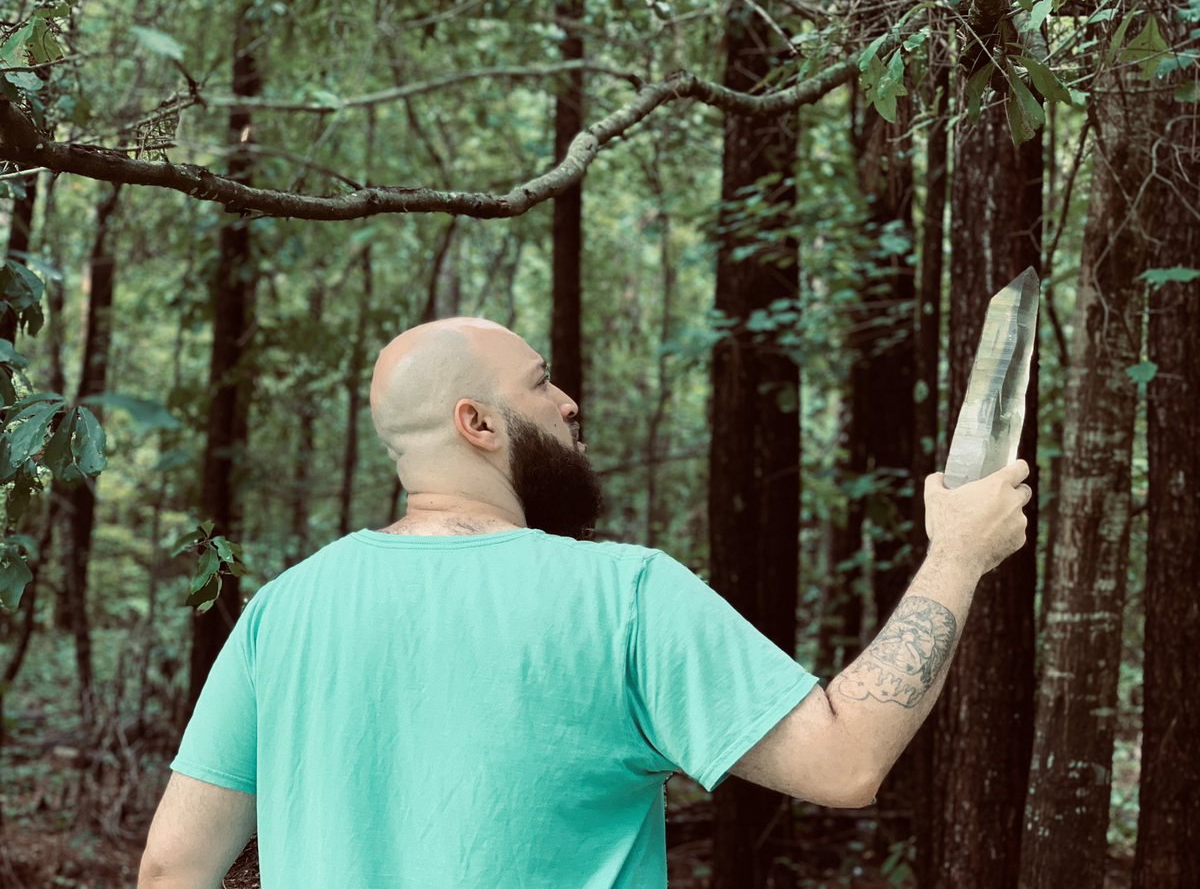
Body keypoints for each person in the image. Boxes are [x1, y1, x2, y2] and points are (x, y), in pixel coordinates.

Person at [138, 316, 1032, 888]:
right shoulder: (623, 595)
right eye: (540, 384)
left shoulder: (284, 611)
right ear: (477, 423)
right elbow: (845, 760)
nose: (570, 403)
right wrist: (956, 553)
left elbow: (174, 868)